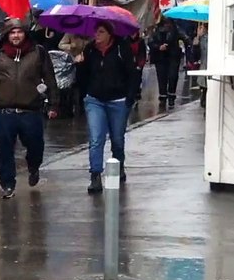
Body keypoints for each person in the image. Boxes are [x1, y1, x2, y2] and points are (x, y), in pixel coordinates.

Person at [0, 18, 60, 199]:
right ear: (6, 35)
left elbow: (50, 79)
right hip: (4, 111)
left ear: (25, 33)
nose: (15, 35)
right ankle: (7, 184)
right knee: (5, 149)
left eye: (19, 32)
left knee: (35, 146)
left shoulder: (38, 53)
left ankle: (33, 167)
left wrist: (54, 103)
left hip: (30, 111)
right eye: (12, 32)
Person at [76, 21, 140, 194]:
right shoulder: (89, 50)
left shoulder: (121, 48)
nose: (97, 35)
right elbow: (82, 78)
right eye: (95, 31)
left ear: (109, 34)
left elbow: (132, 74)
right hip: (95, 100)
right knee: (96, 138)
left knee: (117, 138)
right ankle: (95, 175)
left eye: (101, 32)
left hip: (118, 100)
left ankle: (118, 164)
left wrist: (130, 97)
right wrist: (80, 65)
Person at [149, 16, 184, 107]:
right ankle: (163, 97)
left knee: (173, 76)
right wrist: (159, 47)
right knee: (162, 78)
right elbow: (151, 41)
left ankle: (171, 96)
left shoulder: (175, 28)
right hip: (160, 57)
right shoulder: (156, 29)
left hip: (173, 56)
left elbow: (184, 37)